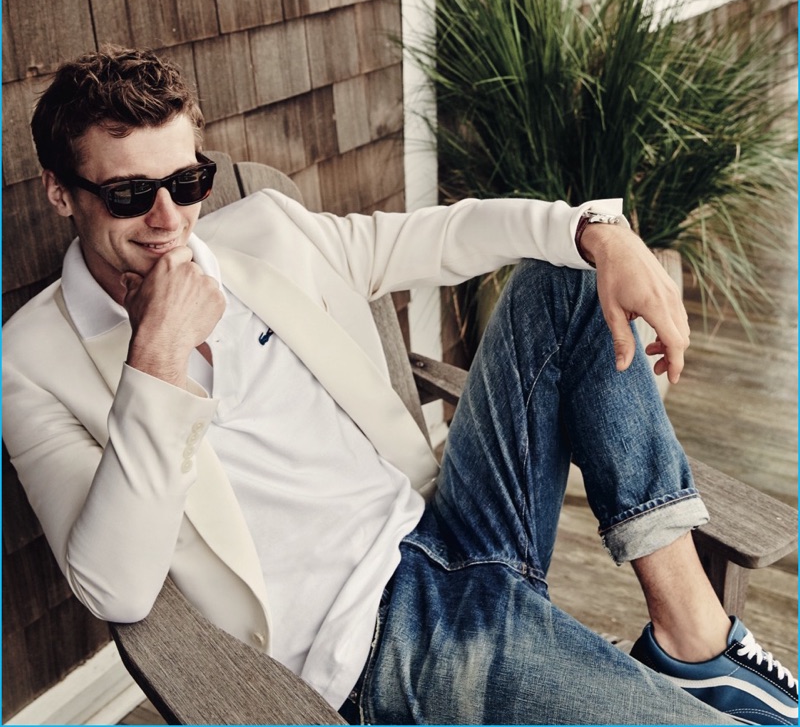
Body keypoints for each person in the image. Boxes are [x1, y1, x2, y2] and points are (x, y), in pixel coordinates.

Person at [3, 46, 795, 726]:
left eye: (189, 179)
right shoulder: (34, 360)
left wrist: (595, 231)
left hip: (450, 524)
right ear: (60, 190)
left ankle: (693, 638)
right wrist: (156, 360)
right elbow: (113, 581)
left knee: (568, 280)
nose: (171, 218)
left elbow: (439, 236)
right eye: (131, 194)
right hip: (379, 639)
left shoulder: (266, 233)